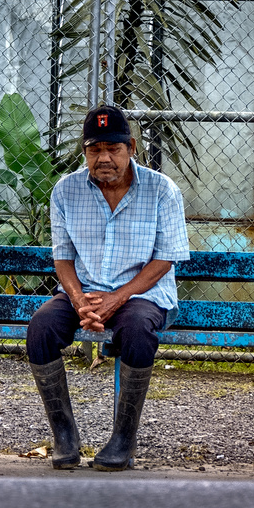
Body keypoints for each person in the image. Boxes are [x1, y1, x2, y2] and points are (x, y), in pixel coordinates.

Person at [26, 105, 189, 471]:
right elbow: (63, 258)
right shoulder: (66, 190)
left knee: (135, 330)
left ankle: (123, 440)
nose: (104, 158)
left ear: (130, 147)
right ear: (84, 152)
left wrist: (118, 297)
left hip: (142, 294)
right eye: (94, 149)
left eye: (112, 149)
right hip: (84, 292)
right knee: (40, 329)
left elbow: (165, 259)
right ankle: (65, 435)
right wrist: (79, 300)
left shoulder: (162, 190)